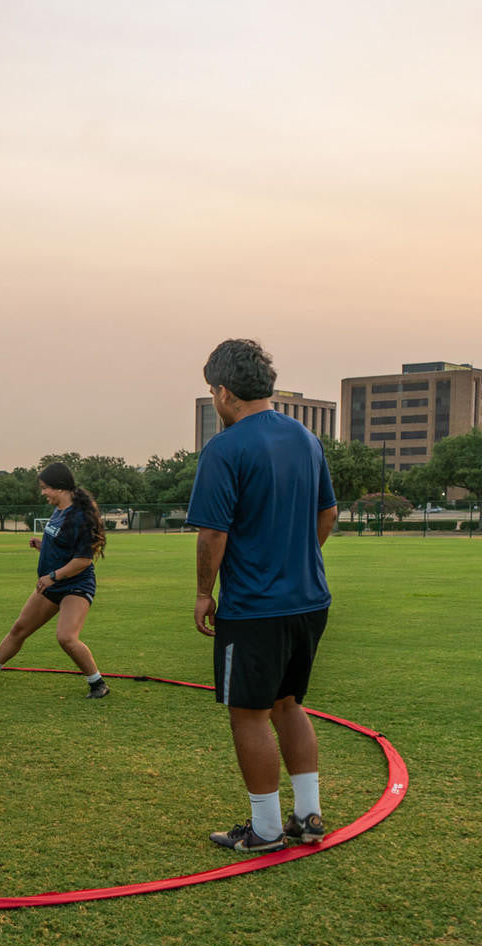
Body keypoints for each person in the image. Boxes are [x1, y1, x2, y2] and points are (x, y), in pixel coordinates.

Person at [188, 339, 338, 853]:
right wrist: (296, 558)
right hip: (310, 599)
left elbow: (212, 535)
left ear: (225, 392)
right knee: (288, 704)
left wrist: (205, 593)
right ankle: (308, 816)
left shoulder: (224, 448)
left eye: (212, 392)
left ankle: (267, 830)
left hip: (255, 607)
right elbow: (328, 514)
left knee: (247, 713)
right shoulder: (306, 438)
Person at [0, 461, 110, 699]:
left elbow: (83, 560)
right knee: (20, 628)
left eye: (45, 488)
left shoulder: (79, 517)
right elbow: (64, 546)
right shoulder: (59, 510)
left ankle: (97, 683)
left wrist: (53, 576)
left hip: (76, 586)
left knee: (66, 637)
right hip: (52, 583)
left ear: (59, 488)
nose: (43, 493)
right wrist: (43, 546)